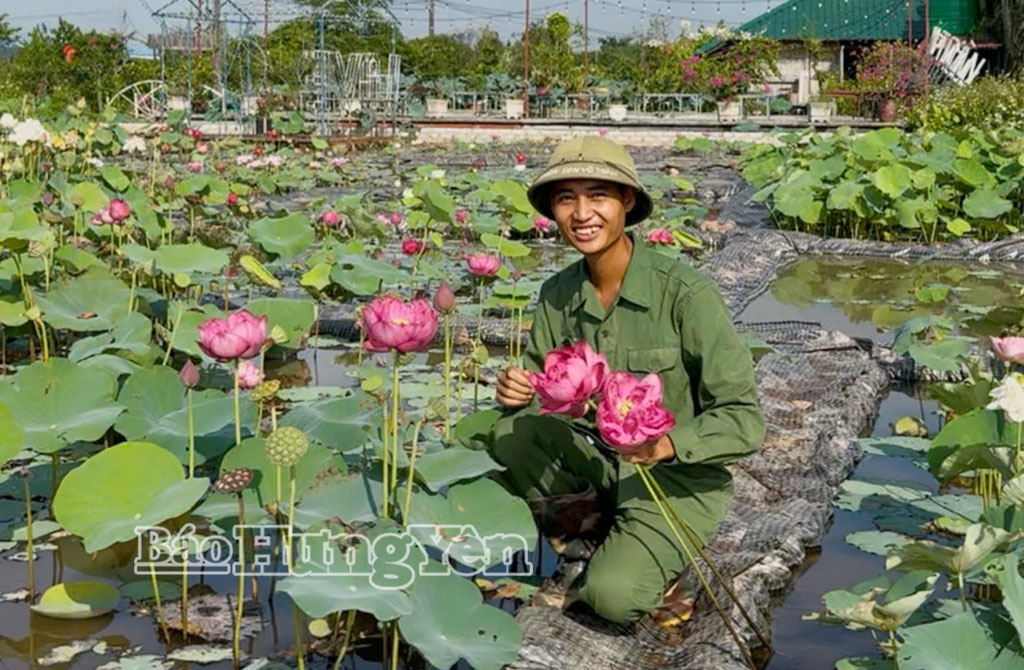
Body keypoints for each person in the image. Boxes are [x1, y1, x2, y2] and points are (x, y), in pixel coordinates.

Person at [484, 135, 766, 626]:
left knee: (612, 598)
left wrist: (664, 445)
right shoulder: (556, 293)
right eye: (566, 197)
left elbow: (744, 420)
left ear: (628, 202)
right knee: (508, 432)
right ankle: (583, 545)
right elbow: (540, 397)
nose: (582, 213)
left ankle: (645, 561)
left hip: (675, 480)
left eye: (598, 195)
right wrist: (517, 392)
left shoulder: (685, 295)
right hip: (597, 465)